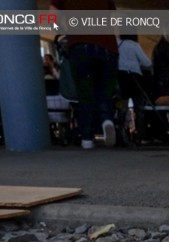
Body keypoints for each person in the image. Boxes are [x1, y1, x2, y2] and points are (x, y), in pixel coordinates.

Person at [50, 0, 118, 149]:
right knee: (104, 91)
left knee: (85, 93)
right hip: (108, 49)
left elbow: (53, 13)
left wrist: (59, 30)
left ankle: (87, 139)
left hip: (81, 48)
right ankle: (106, 120)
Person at [117, 34, 151, 141]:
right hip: (135, 78)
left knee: (122, 107)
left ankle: (121, 133)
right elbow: (147, 62)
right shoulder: (134, 45)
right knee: (139, 108)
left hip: (121, 78)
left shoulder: (118, 44)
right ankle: (139, 134)